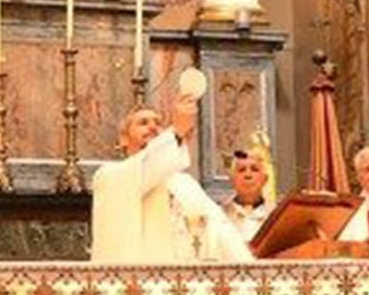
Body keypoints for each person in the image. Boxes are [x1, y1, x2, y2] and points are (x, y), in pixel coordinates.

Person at [90, 95, 252, 263]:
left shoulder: (185, 184)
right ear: (123, 139)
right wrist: (177, 131)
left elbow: (221, 230)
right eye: (143, 123)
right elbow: (145, 167)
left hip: (183, 280)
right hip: (136, 281)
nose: (153, 127)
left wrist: (249, 269)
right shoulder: (109, 176)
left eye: (158, 123)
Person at [222, 147, 274, 245]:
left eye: (254, 169)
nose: (248, 175)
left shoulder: (277, 215)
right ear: (232, 179)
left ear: (265, 179)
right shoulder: (218, 216)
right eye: (241, 170)